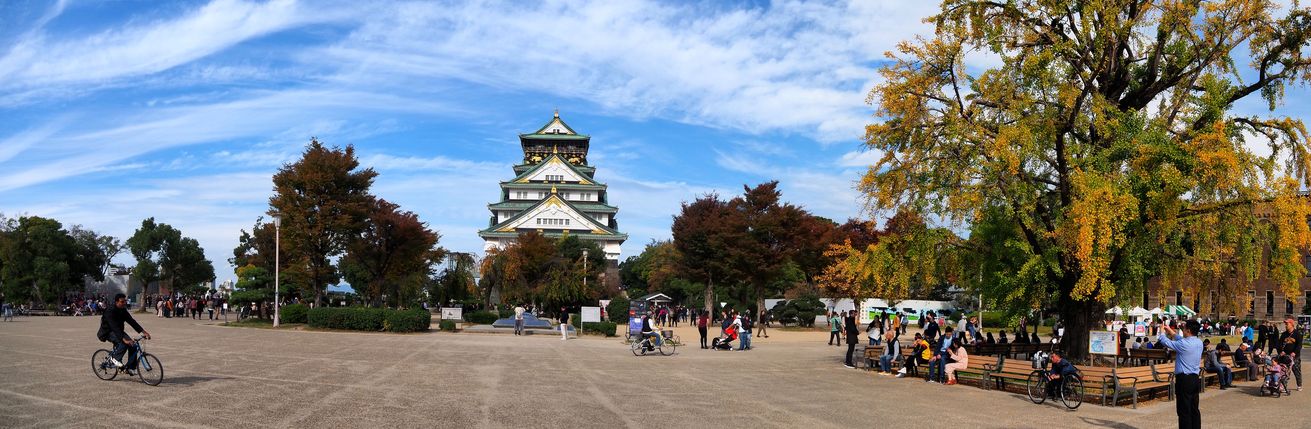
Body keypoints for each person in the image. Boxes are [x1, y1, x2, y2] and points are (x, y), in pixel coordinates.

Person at [1158, 320, 1203, 429]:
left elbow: (1165, 342)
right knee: (1194, 408)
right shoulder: (1198, 342)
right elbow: (1181, 339)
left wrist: (1162, 332)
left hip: (1184, 379)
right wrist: (1171, 332)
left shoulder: (1183, 344)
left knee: (1184, 409)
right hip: (1195, 378)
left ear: (1188, 330)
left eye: (1184, 328)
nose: (1182, 330)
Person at [96, 294, 151, 375]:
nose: (124, 303)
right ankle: (114, 359)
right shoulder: (109, 311)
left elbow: (132, 322)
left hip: (118, 331)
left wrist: (143, 332)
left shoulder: (123, 310)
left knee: (133, 345)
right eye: (122, 301)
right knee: (123, 343)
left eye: (125, 301)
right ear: (116, 302)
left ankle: (130, 368)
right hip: (107, 332)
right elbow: (113, 326)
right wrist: (124, 339)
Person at [1279, 318, 1303, 391]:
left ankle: (1299, 385)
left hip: (1295, 357)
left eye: (1287, 324)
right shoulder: (1284, 334)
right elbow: (1279, 344)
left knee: (1296, 371)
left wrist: (1294, 352)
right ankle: (1283, 385)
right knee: (1284, 371)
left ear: (1292, 324)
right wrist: (1281, 351)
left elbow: (1299, 345)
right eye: (1285, 324)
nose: (1285, 325)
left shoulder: (1297, 334)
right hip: (1285, 356)